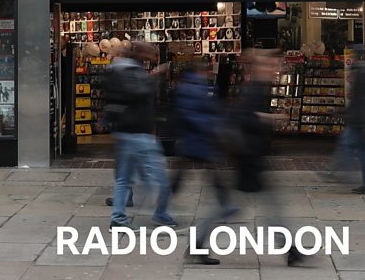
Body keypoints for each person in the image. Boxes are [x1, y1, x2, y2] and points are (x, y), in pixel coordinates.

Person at [210, 48, 305, 266]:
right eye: (271, 66)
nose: (275, 70)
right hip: (249, 159)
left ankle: (292, 251)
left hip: (253, 157)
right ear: (260, 67)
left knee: (261, 207)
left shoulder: (259, 88)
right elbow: (244, 118)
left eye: (276, 66)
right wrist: (270, 118)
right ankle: (291, 251)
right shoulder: (253, 89)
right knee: (244, 207)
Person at [103, 41, 176, 229]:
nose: (153, 59)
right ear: (143, 56)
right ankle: (159, 213)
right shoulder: (130, 72)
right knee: (159, 178)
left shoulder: (122, 70)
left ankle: (118, 218)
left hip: (125, 132)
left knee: (123, 178)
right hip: (137, 133)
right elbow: (136, 93)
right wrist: (153, 77)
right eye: (151, 56)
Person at [171, 61, 237, 265]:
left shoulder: (191, 88)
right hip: (200, 142)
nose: (208, 73)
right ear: (199, 71)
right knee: (214, 175)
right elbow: (196, 115)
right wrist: (214, 128)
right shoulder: (197, 89)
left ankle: (224, 204)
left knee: (208, 174)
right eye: (206, 70)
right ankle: (225, 206)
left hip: (195, 143)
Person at [341, 58, 365, 194]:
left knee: (347, 145)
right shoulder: (364, 75)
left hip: (359, 122)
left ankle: (342, 173)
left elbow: (358, 101)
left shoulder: (360, 78)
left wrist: (349, 114)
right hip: (363, 121)